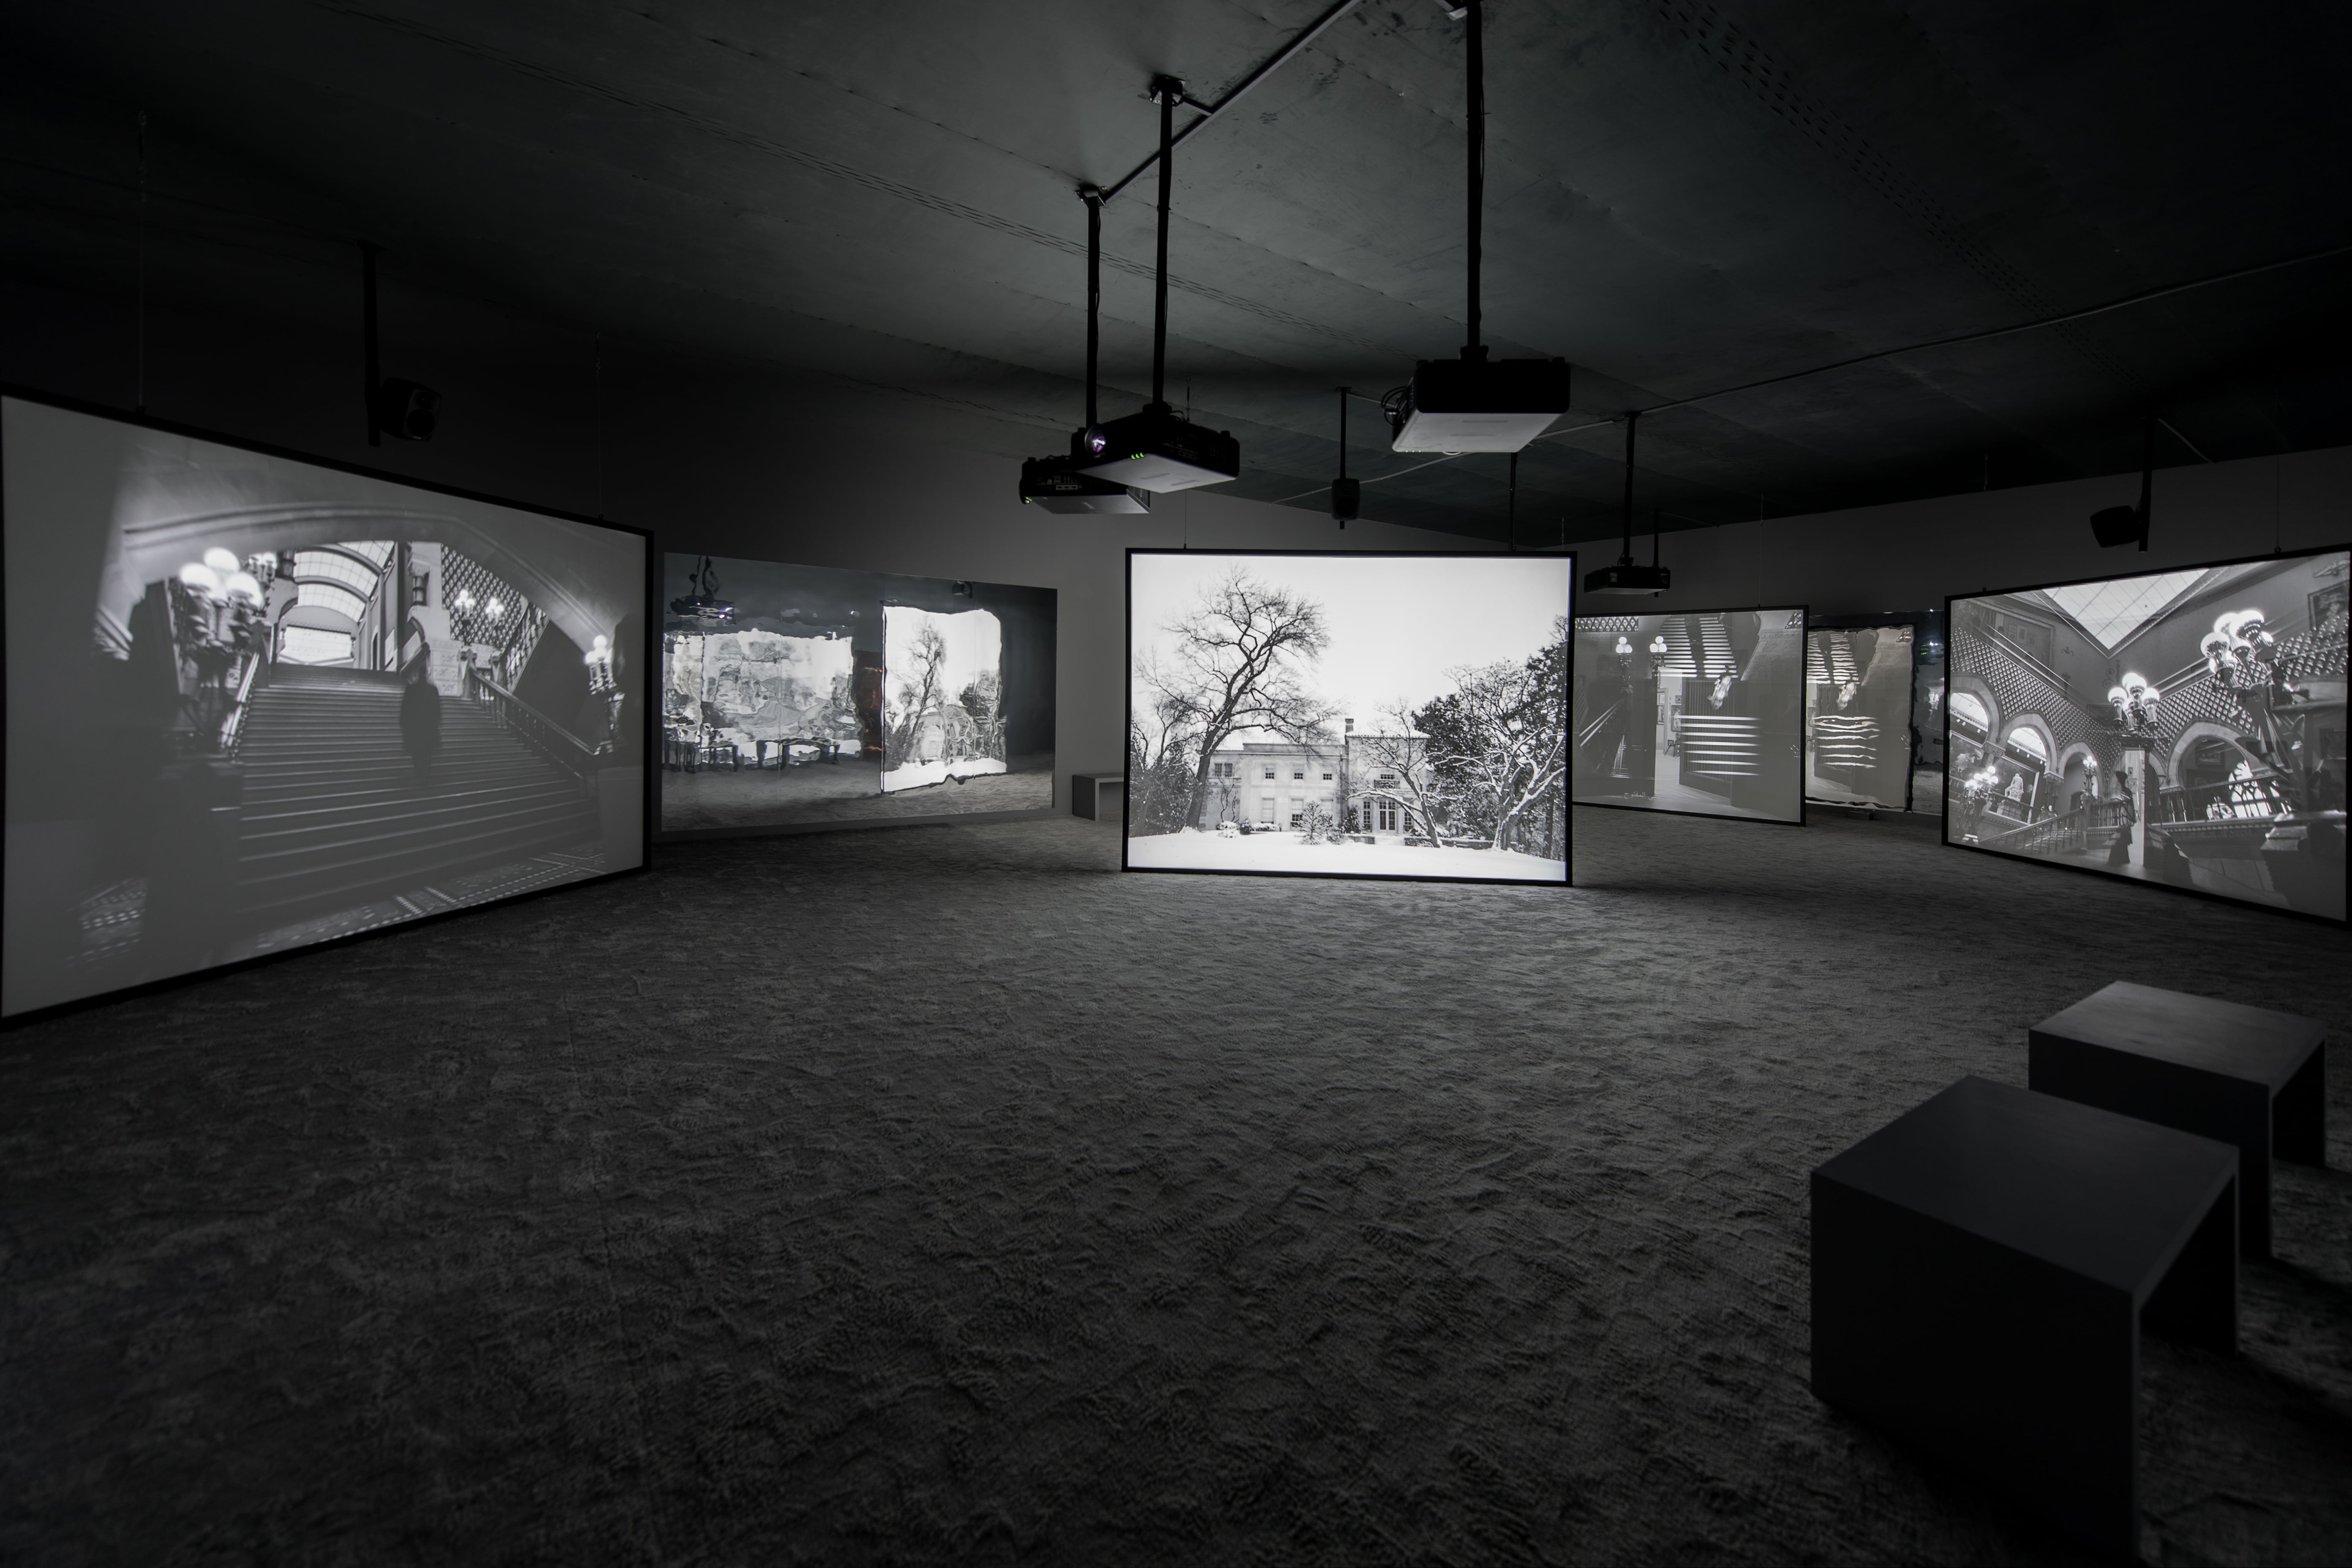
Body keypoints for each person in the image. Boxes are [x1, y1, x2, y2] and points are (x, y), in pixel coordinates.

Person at [400, 665, 443, 790]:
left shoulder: (411, 689)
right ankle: (425, 774)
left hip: (415, 728)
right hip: (429, 727)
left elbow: (405, 708)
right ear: (427, 674)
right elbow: (438, 709)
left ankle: (420, 773)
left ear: (417, 675)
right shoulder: (433, 690)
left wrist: (403, 723)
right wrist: (439, 721)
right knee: (427, 752)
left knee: (417, 752)